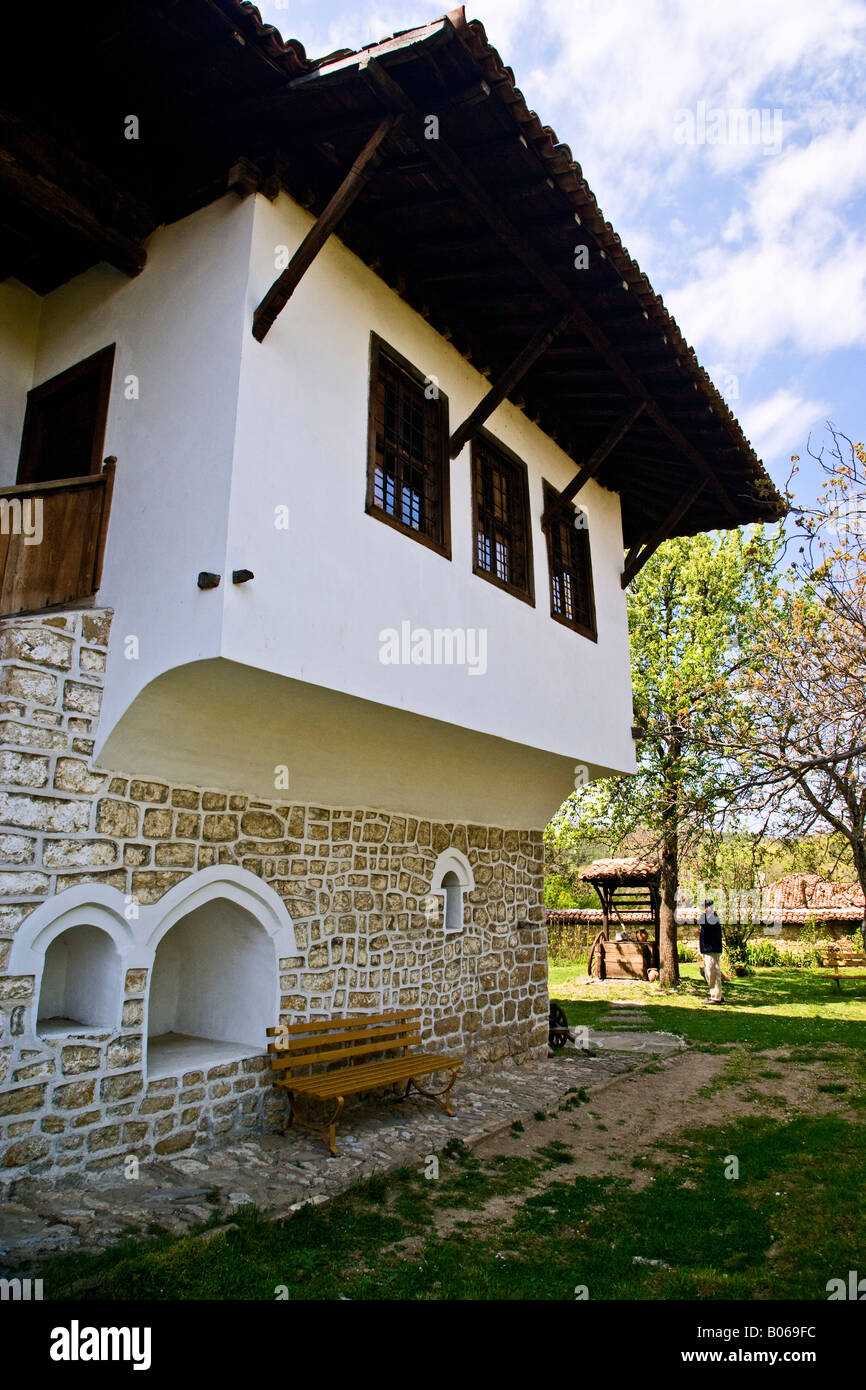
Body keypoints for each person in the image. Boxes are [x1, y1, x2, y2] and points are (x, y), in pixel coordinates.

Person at [698, 898, 724, 1004]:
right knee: (712, 972)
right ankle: (718, 995)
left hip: (711, 949)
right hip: (710, 949)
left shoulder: (711, 917)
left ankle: (716, 998)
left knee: (712, 972)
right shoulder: (711, 917)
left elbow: (701, 921)